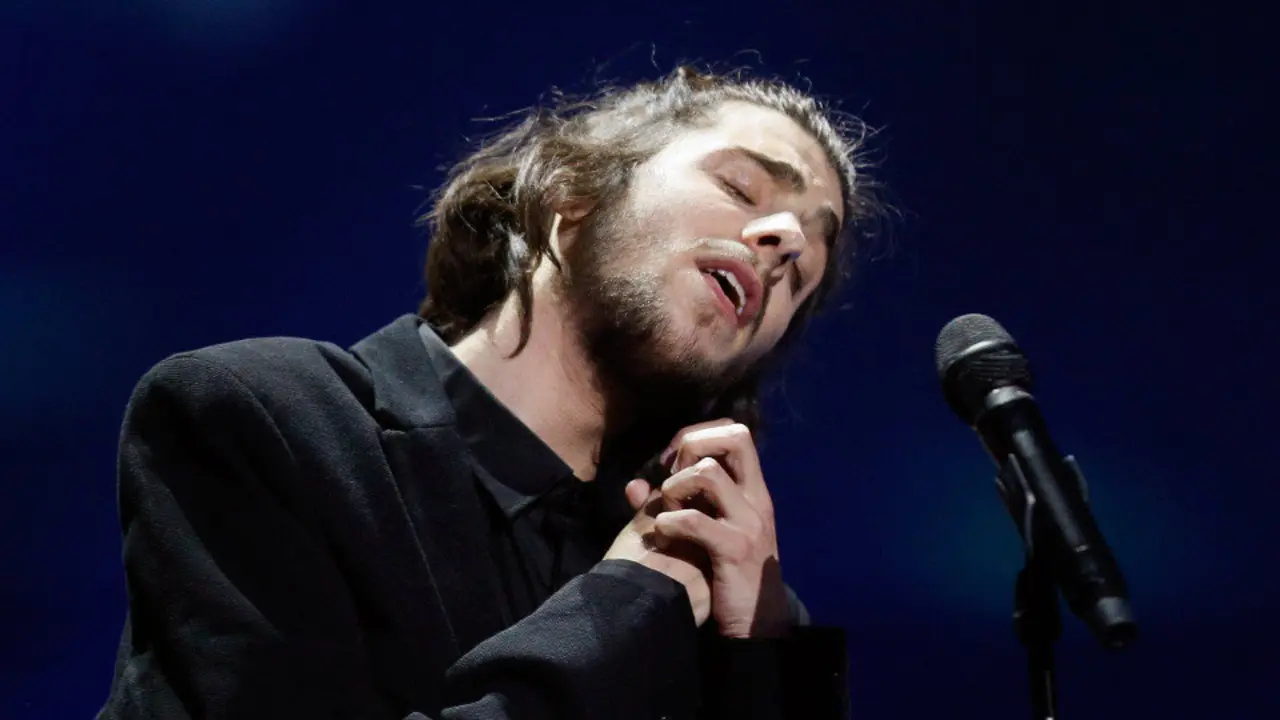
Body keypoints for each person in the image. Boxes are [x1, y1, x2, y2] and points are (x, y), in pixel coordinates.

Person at [97, 65, 882, 719]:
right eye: (741, 187)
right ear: (572, 194)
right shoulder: (262, 419)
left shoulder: (716, 594)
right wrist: (624, 610)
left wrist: (760, 661)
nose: (784, 244)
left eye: (806, 269)